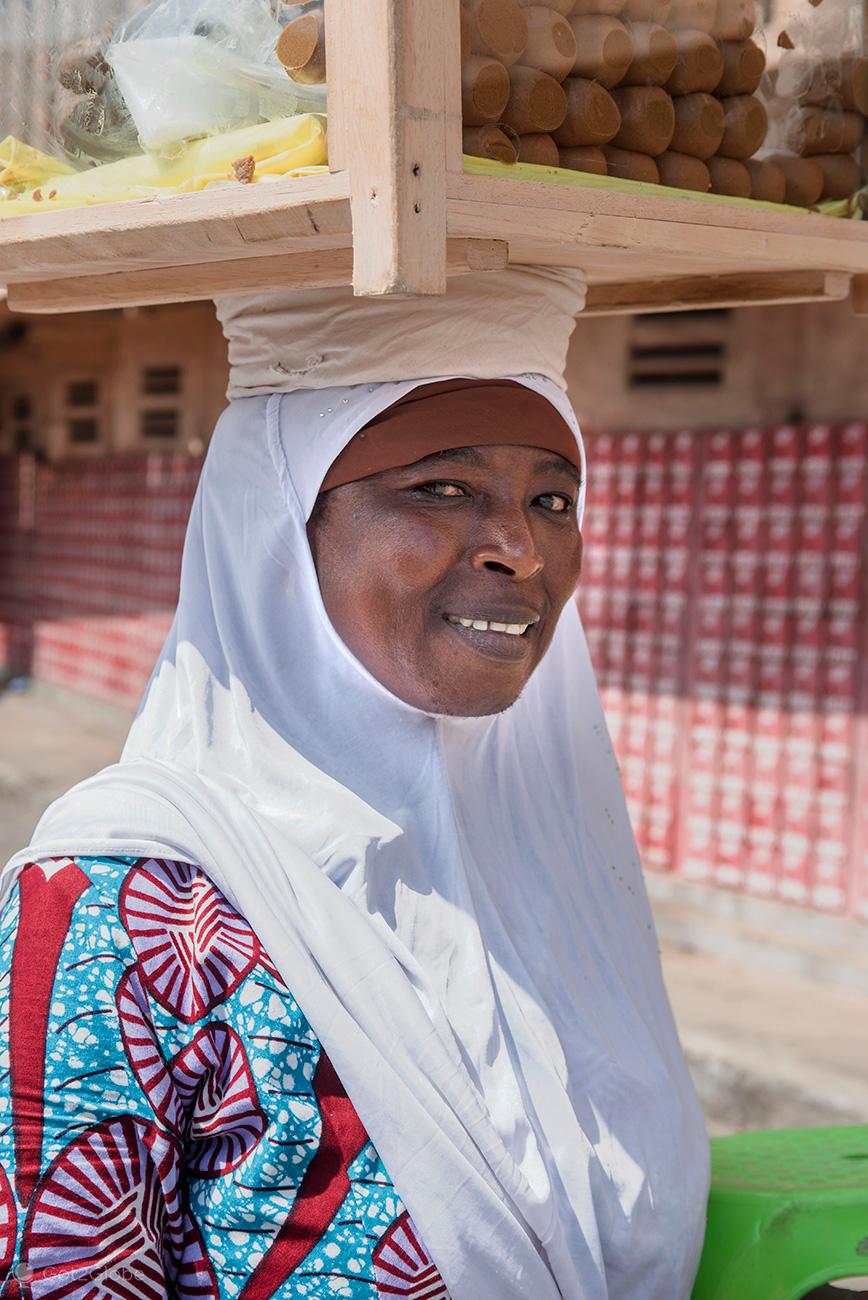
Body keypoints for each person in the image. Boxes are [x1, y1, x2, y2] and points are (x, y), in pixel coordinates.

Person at [0, 375, 709, 1299]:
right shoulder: (115, 914)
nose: (521, 550)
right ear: (282, 533)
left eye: (552, 500)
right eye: (442, 489)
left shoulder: (559, 881)